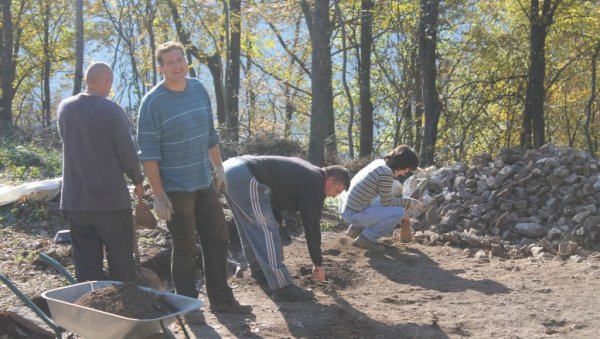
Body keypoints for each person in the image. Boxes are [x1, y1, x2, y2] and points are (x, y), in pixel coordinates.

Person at [136, 41, 251, 324]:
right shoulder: (152, 102)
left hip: (203, 182)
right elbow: (149, 154)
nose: (177, 66)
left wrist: (219, 169)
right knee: (185, 247)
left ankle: (222, 300)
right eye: (170, 62)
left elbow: (209, 134)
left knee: (218, 239)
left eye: (180, 60)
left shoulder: (198, 89)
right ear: (160, 68)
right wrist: (159, 195)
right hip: (176, 189)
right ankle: (188, 306)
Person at [57, 62, 144, 283]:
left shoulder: (65, 108)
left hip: (75, 201)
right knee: (121, 260)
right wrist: (138, 179)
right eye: (110, 82)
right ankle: (125, 309)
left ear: (87, 80)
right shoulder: (112, 111)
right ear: (106, 81)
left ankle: (92, 311)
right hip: (111, 202)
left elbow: (66, 140)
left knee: (86, 264)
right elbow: (126, 151)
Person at [223, 155, 350, 301]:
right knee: (267, 230)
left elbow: (275, 193)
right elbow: (311, 226)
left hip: (230, 170)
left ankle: (259, 271)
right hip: (245, 175)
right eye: (337, 191)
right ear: (330, 180)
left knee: (252, 227)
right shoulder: (315, 184)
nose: (334, 196)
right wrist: (318, 264)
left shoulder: (309, 173)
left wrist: (277, 220)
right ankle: (282, 287)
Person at [339, 145, 424, 252]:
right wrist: (409, 202)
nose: (405, 173)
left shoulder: (379, 163)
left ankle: (355, 229)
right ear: (401, 165)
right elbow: (387, 202)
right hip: (351, 213)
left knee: (381, 201)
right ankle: (366, 238)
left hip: (346, 207)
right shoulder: (386, 173)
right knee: (399, 212)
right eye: (407, 169)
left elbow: (382, 198)